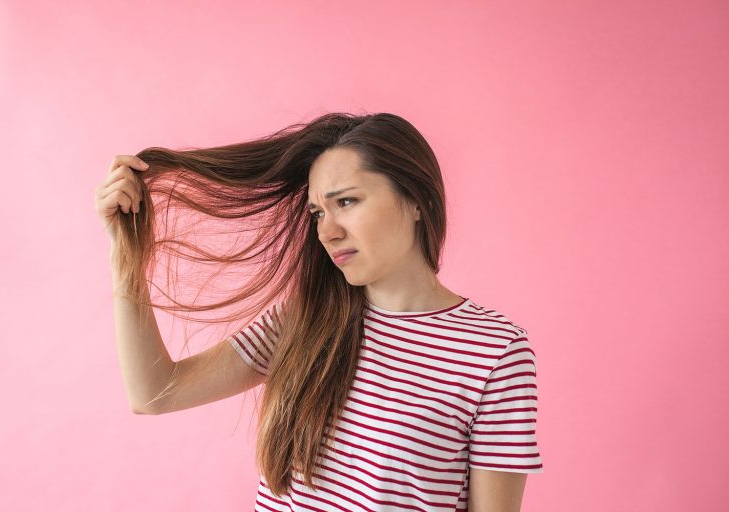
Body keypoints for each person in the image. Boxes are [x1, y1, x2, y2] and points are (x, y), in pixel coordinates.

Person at [93, 112, 543, 511]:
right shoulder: (303, 322)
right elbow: (155, 393)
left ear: (415, 200)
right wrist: (125, 254)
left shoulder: (495, 351)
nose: (327, 231)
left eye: (346, 202)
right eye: (316, 213)